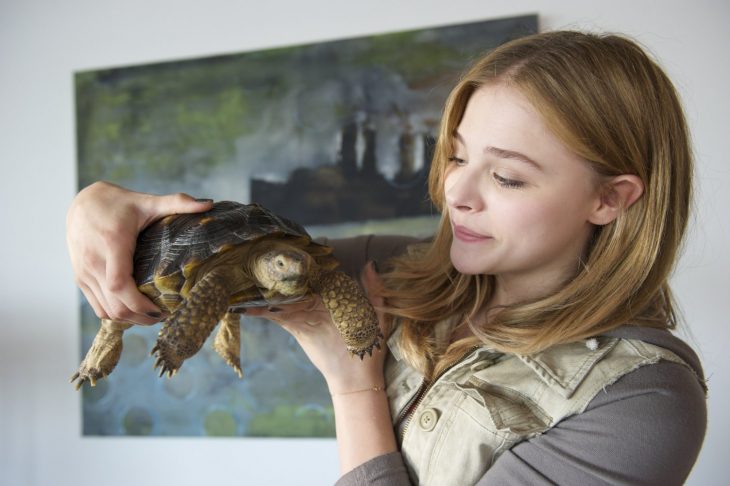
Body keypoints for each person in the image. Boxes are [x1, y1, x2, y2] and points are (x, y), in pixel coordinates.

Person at [66, 31, 707, 484]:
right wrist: (95, 206)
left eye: (507, 177)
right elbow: (221, 275)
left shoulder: (640, 401)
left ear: (611, 198)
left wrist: (356, 386)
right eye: (455, 154)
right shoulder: (397, 269)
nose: (454, 191)